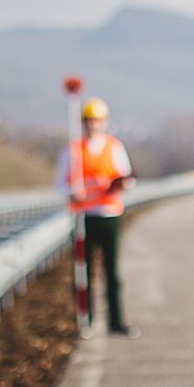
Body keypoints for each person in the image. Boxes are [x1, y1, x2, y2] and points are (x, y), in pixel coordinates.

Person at [58, 96, 136, 337]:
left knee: (111, 271)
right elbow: (61, 183)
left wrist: (119, 185)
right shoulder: (73, 150)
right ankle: (86, 321)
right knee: (85, 270)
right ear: (84, 122)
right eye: (90, 120)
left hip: (110, 214)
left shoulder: (114, 147)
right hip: (84, 216)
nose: (94, 124)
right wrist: (73, 192)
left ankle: (116, 321)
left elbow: (127, 178)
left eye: (98, 120)